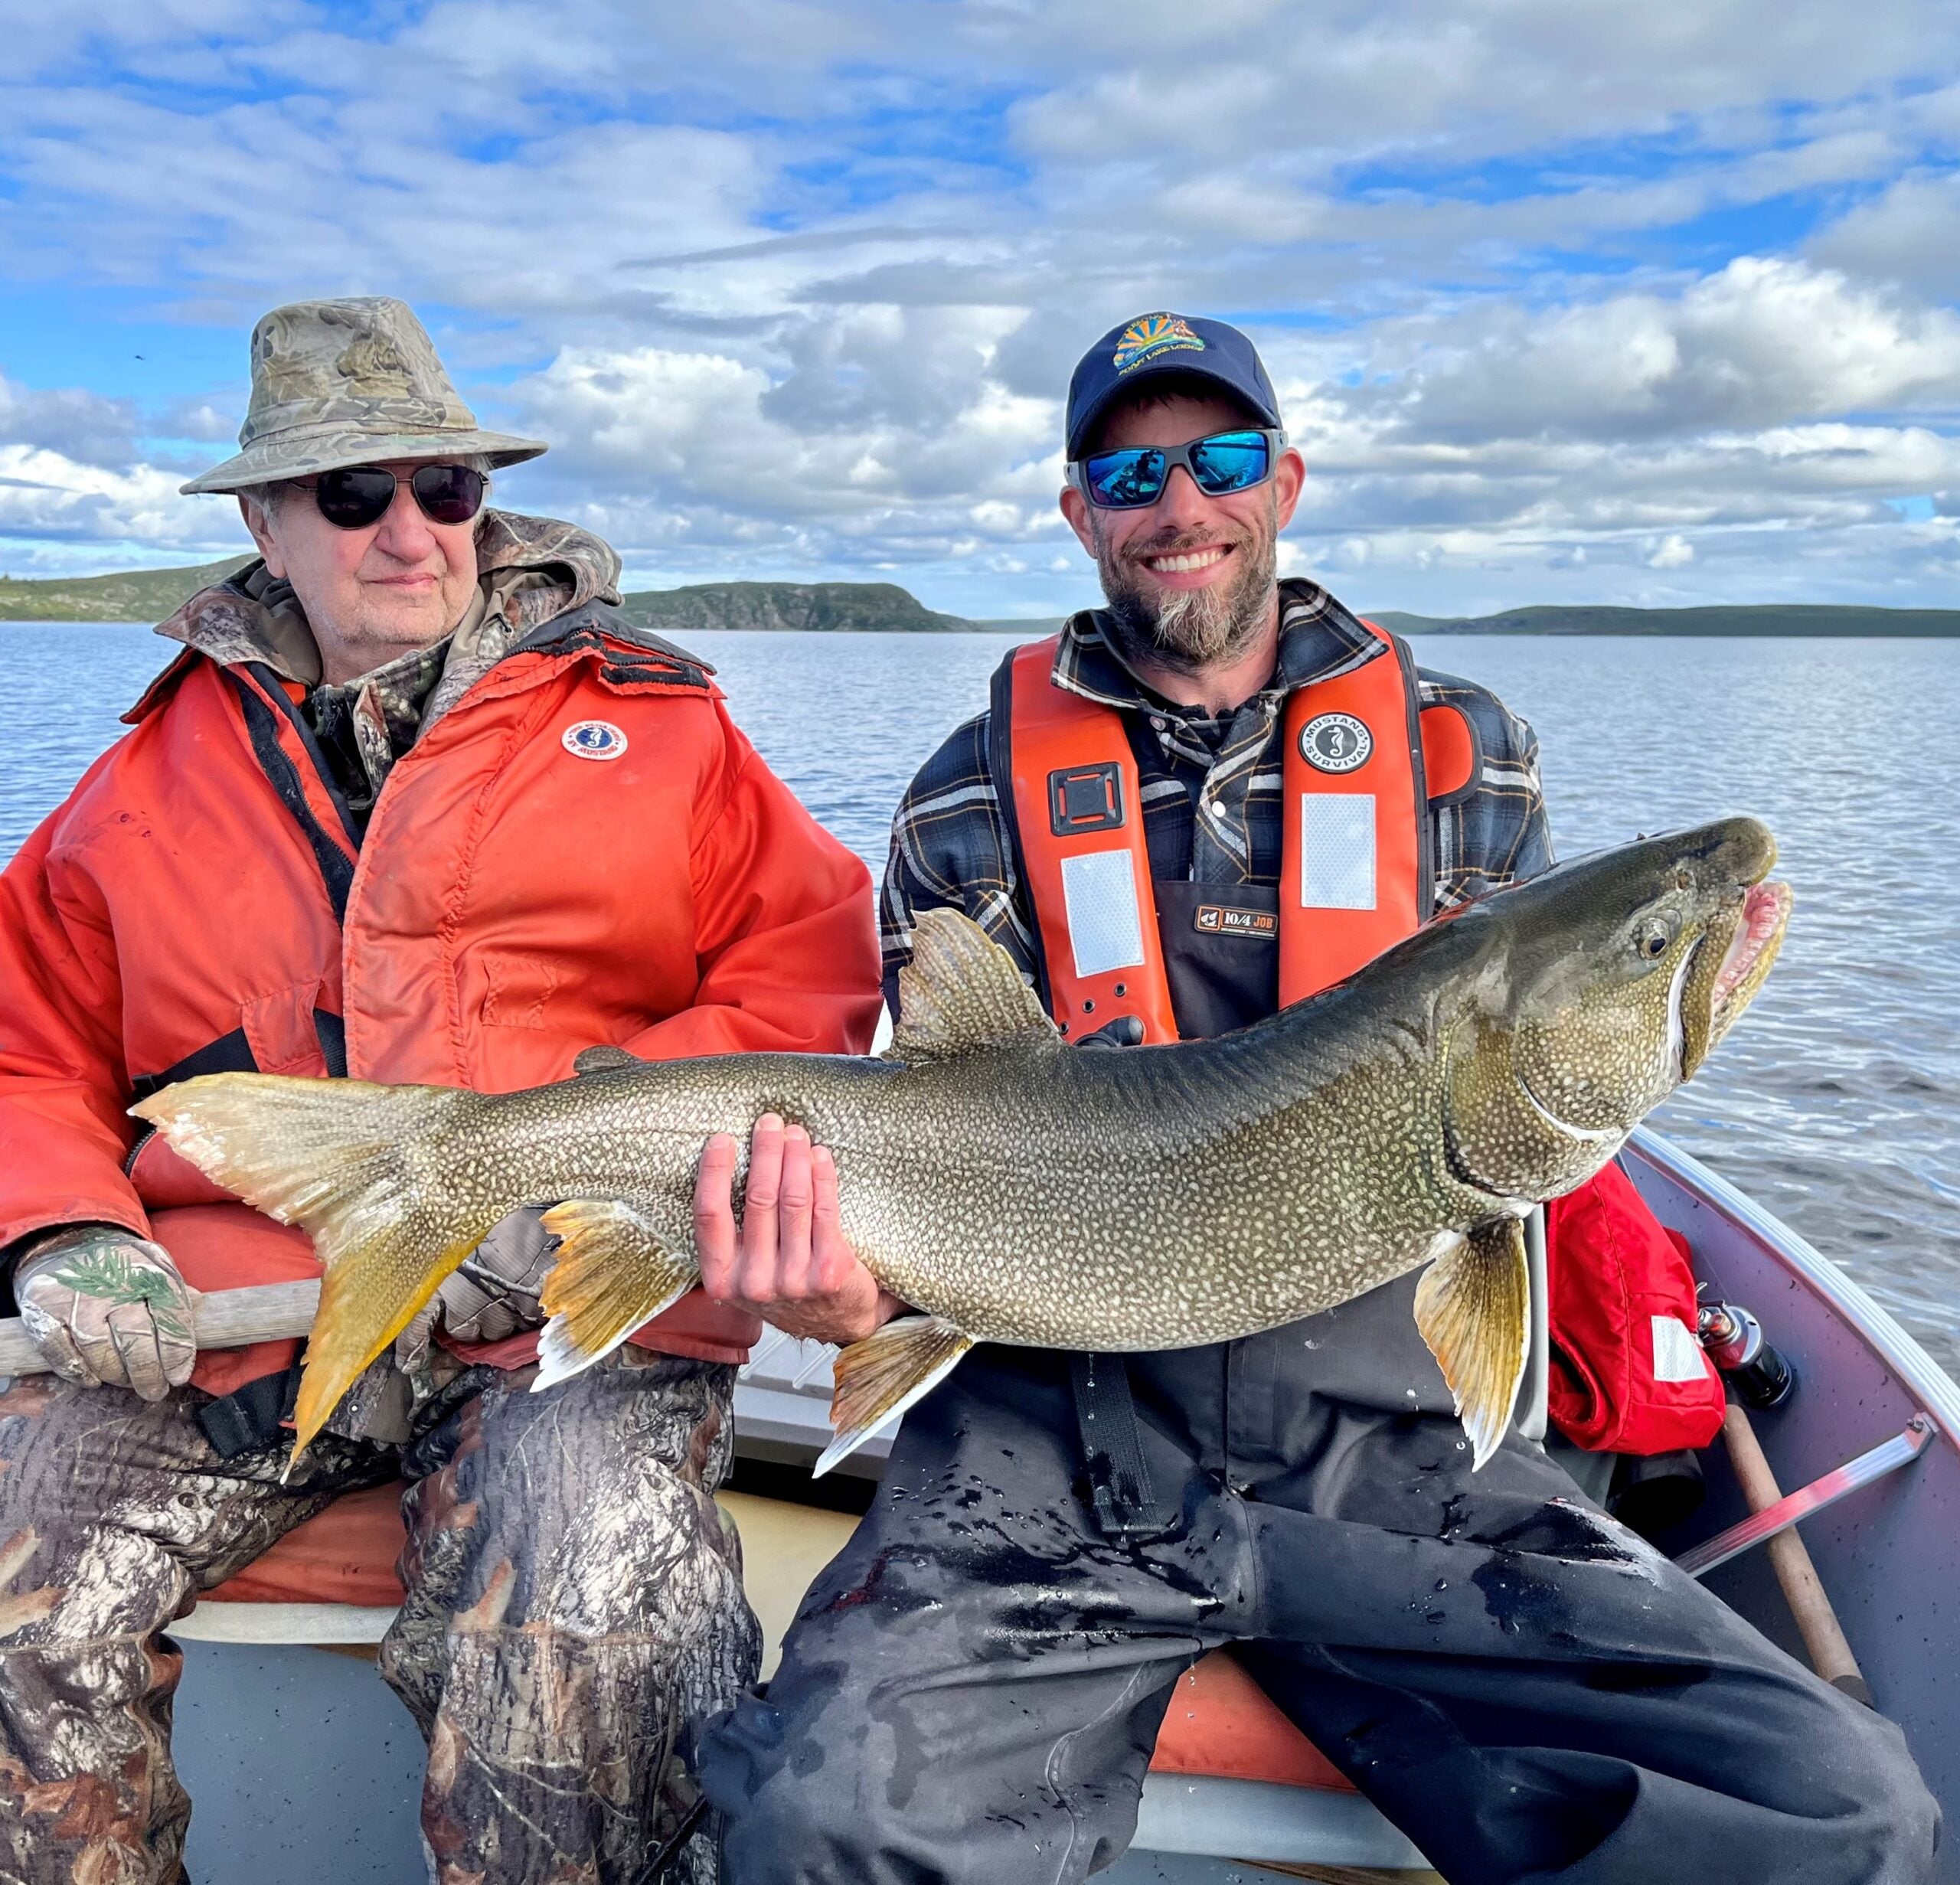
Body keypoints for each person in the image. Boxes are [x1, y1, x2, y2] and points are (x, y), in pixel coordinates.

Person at [691, 312, 1939, 1882]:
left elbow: (1509, 1051)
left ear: (1281, 479)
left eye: (1216, 459)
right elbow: (940, 1121)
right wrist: (830, 1288)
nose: (1178, 503)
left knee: (1845, 1816)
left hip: (1395, 1455)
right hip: (1046, 1452)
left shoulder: (1456, 749)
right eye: (1131, 470)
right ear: (1079, 510)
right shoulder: (964, 789)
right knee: (813, 1817)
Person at [0, 296, 882, 1884]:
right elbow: (29, 1050)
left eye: (445, 489)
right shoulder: (135, 784)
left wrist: (569, 1194)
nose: (409, 532)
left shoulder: (669, 733)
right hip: (248, 1311)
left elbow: (807, 988)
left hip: (576, 1317)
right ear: (266, 521)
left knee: (583, 1623)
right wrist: (65, 1229)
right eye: (352, 495)